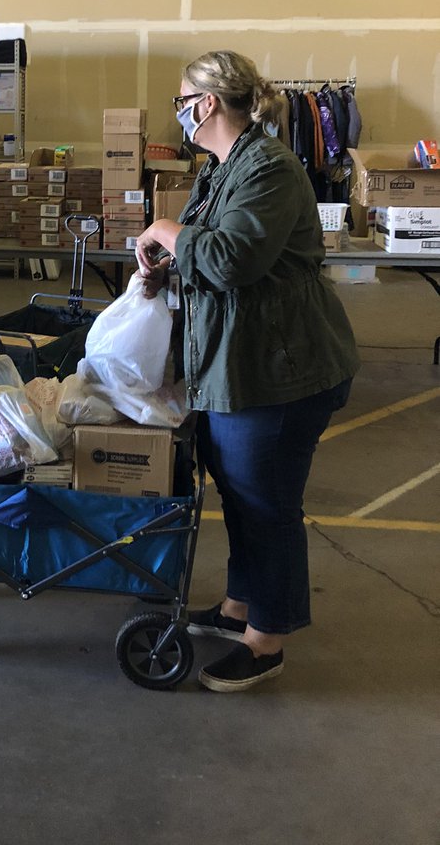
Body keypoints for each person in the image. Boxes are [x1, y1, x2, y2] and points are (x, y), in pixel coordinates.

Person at [134, 51, 359, 693]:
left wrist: (167, 230)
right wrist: (168, 261)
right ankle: (239, 608)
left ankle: (267, 641)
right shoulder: (222, 168)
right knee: (235, 490)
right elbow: (205, 253)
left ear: (206, 105)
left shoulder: (271, 170)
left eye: (182, 98)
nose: (177, 109)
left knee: (268, 506)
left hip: (281, 373)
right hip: (237, 365)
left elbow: (230, 259)